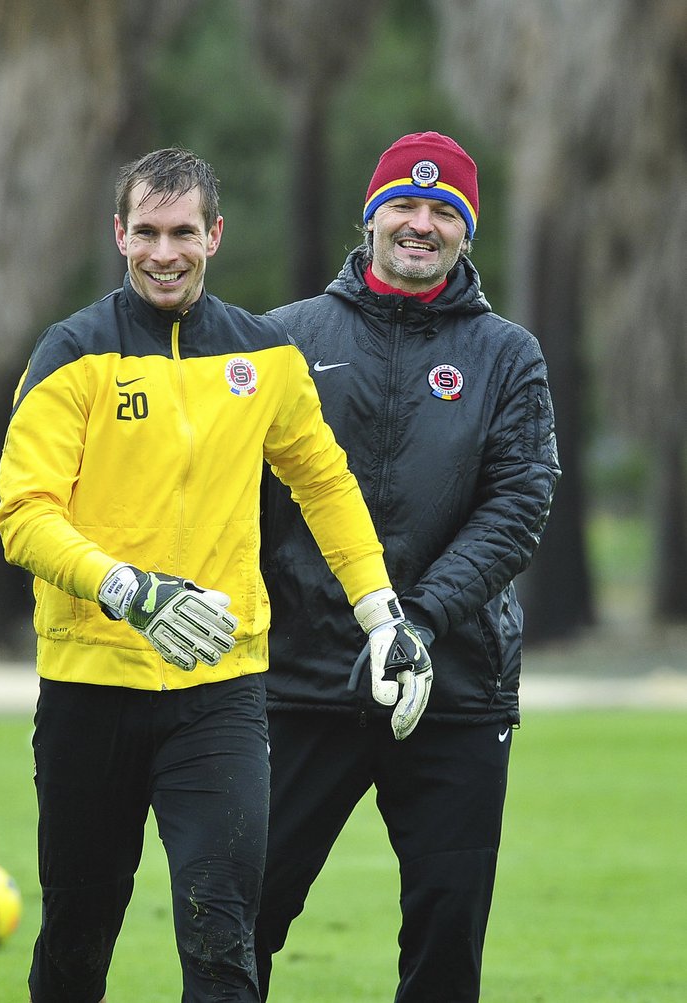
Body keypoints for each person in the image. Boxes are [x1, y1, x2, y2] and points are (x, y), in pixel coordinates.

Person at [0, 147, 431, 1003]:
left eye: (184, 232)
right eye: (147, 232)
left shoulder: (264, 354)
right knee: (80, 940)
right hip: (90, 687)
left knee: (223, 935)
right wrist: (129, 589)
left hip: (221, 690)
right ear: (119, 235)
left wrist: (384, 616)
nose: (166, 252)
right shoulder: (72, 353)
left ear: (215, 235)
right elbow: (24, 512)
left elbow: (326, 483)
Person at [254, 132, 561, 1001]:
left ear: (467, 231)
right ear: (371, 216)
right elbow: (239, 503)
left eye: (444, 211)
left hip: (457, 685)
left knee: (445, 938)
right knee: (242, 920)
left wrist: (418, 620)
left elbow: (519, 504)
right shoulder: (284, 338)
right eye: (405, 205)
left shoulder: (509, 354)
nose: (421, 224)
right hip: (301, 679)